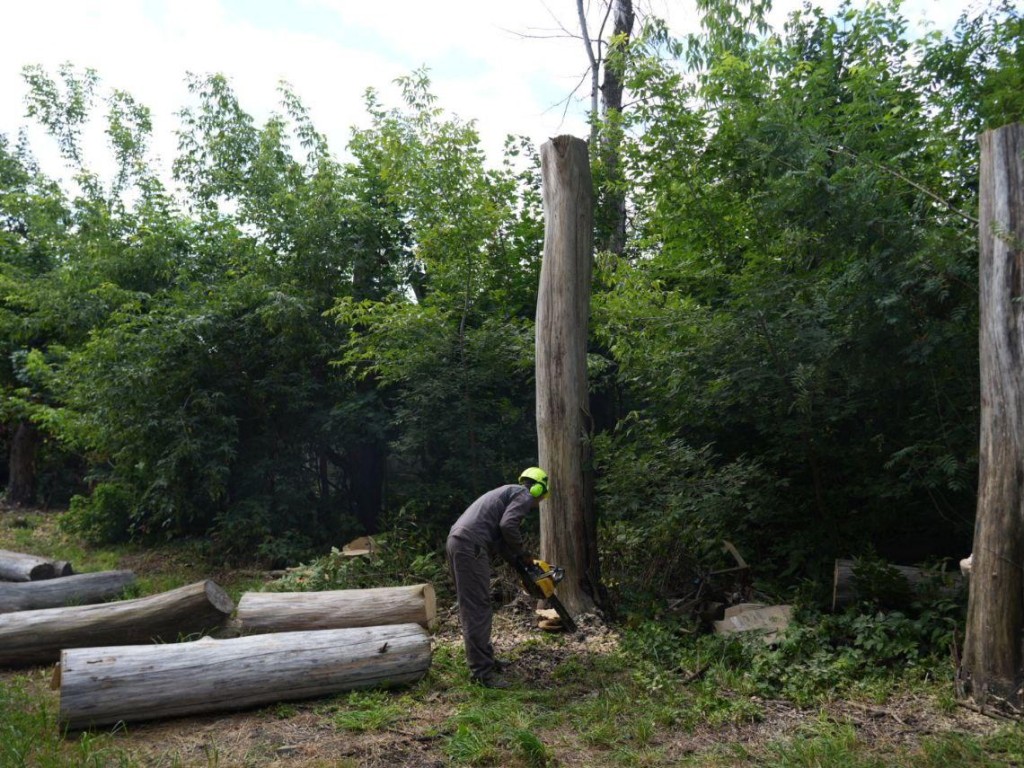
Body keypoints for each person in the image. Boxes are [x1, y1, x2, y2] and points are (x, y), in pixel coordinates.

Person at [446, 466, 549, 688]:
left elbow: (500, 540)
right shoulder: (523, 495)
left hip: (460, 541)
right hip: (469, 545)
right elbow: (508, 526)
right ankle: (482, 674)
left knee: (475, 605)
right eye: (539, 501)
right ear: (538, 489)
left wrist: (519, 564)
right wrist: (523, 553)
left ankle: (486, 661)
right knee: (477, 607)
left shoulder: (507, 493)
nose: (534, 506)